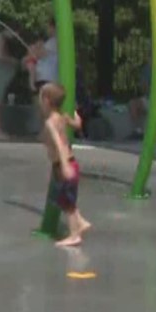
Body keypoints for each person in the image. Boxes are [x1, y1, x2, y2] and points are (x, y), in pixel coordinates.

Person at [37, 82, 91, 247]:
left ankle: (75, 235)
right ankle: (81, 222)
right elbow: (78, 124)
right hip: (68, 163)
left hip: (64, 165)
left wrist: (65, 166)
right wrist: (75, 113)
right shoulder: (61, 117)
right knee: (64, 199)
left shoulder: (51, 123)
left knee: (67, 204)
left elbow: (59, 143)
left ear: (46, 101)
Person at [26, 22, 58, 92]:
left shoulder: (54, 41)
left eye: (48, 27)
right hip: (43, 78)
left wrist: (32, 51)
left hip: (47, 78)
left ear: (53, 28)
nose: (47, 30)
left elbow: (39, 54)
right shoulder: (50, 41)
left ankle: (31, 84)